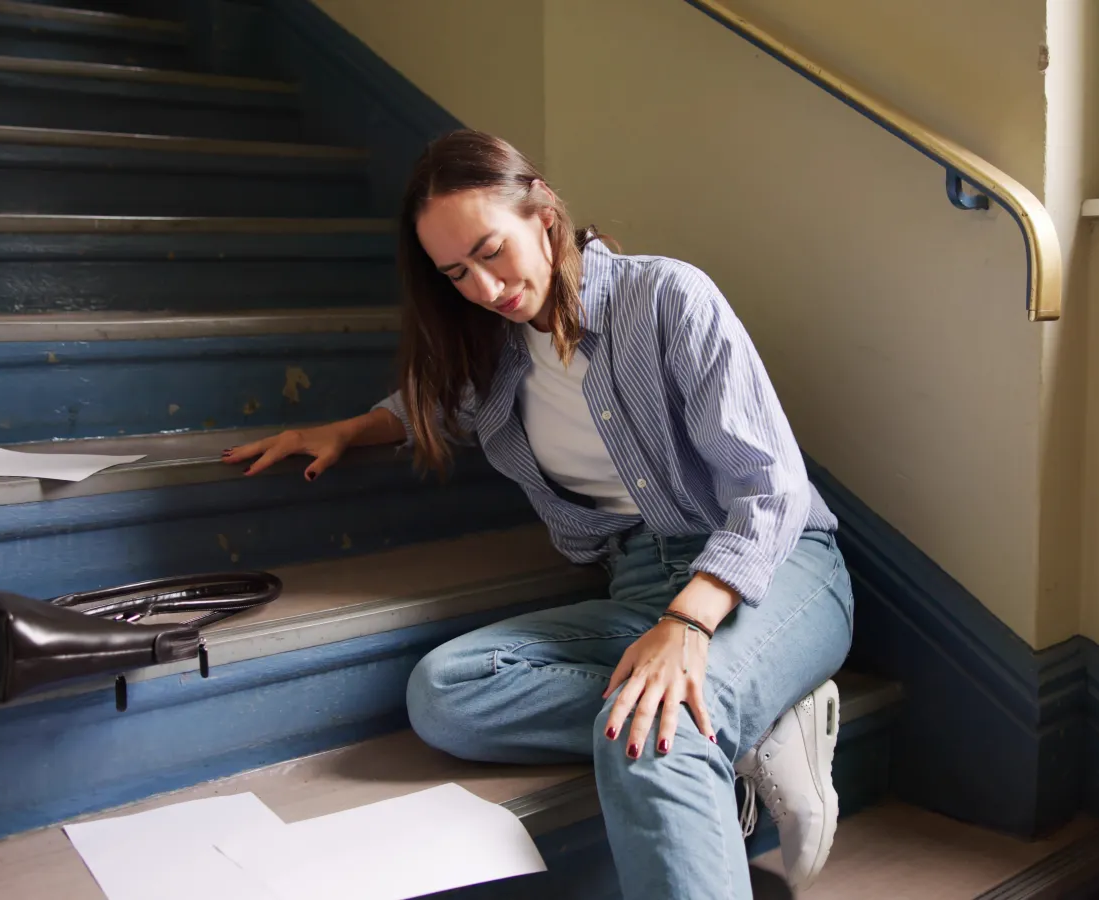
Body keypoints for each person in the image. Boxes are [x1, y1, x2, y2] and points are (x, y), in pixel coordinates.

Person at [224, 130, 853, 900]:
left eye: (492, 251)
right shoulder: (491, 355)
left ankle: (712, 710)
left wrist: (687, 626)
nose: (484, 287)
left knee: (655, 734)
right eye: (456, 273)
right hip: (639, 587)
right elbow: (430, 408)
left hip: (775, 569)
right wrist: (349, 430)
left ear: (544, 214)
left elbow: (773, 489)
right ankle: (749, 719)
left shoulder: (667, 297)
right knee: (445, 693)